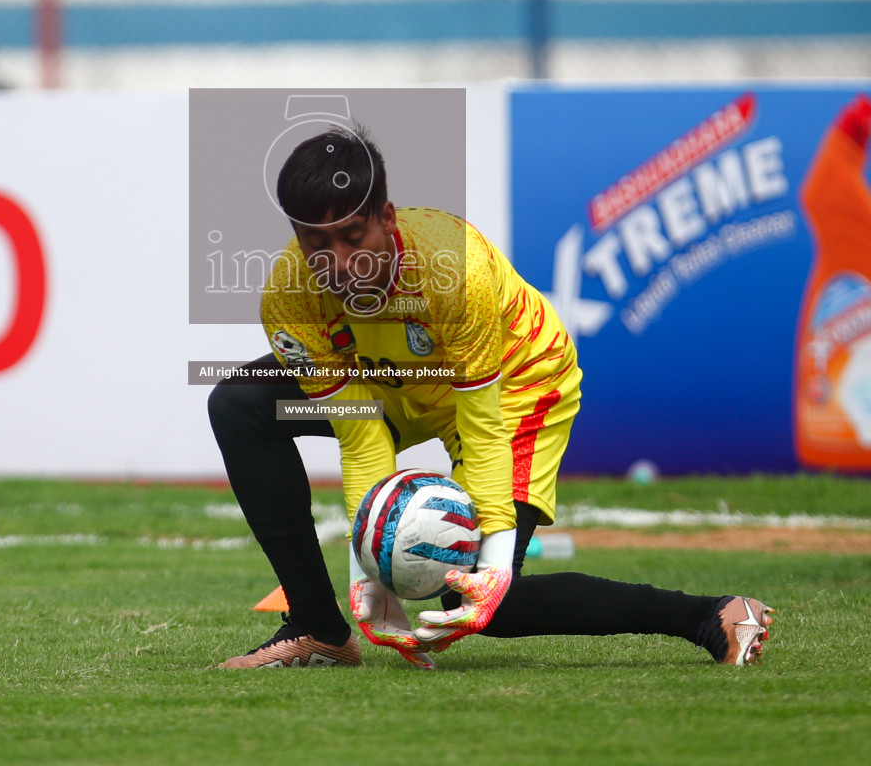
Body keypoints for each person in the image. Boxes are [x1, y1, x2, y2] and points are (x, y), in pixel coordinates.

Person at [208, 123, 773, 669]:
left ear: (386, 218)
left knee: (481, 603)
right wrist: (373, 578)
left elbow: (482, 430)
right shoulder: (289, 297)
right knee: (241, 403)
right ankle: (317, 627)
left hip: (514, 382)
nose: (338, 262)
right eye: (316, 243)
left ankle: (707, 615)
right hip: (390, 382)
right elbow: (359, 433)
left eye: (354, 236)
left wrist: (493, 570)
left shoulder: (455, 273)